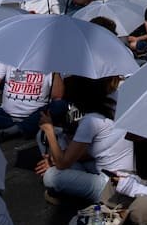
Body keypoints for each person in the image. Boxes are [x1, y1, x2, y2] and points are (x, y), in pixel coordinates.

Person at [35, 75, 133, 204]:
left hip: (113, 186)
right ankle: (74, 189)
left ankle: (75, 194)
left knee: (51, 176)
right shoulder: (114, 100)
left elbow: (62, 163)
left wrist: (49, 130)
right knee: (70, 161)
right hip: (122, 173)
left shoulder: (91, 121)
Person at [0, 60, 64, 141]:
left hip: (37, 116)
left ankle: (13, 130)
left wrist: (55, 71)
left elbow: (57, 97)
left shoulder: (50, 60)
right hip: (7, 115)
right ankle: (19, 128)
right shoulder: (8, 57)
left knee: (60, 106)